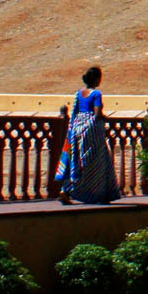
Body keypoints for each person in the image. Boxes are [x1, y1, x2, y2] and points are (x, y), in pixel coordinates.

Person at [55, 66, 121, 205]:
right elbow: (97, 114)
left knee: (76, 161)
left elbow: (76, 111)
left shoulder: (79, 93)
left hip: (77, 128)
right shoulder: (96, 94)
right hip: (90, 132)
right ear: (96, 79)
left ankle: (67, 190)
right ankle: (96, 193)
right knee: (95, 162)